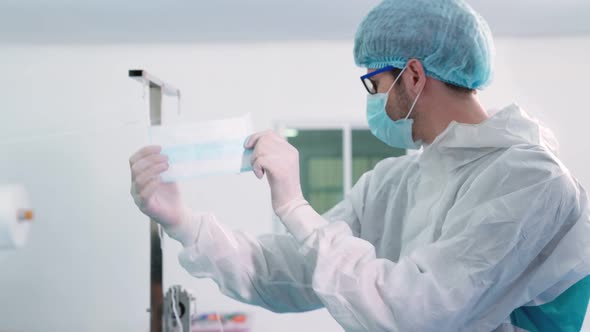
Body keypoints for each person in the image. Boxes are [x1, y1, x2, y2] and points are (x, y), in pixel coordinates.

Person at [129, 0, 590, 330]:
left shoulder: (531, 182)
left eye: (374, 83)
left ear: (413, 76)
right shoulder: (398, 180)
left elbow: (419, 315)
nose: (371, 100)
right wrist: (184, 223)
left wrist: (294, 205)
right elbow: (289, 271)